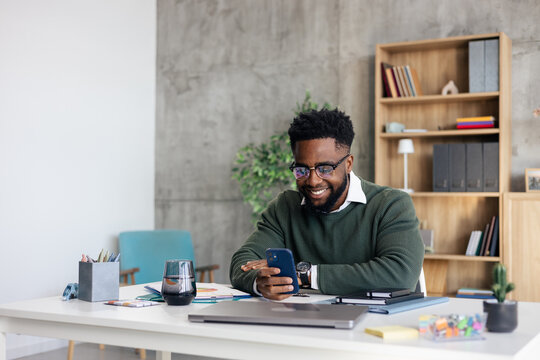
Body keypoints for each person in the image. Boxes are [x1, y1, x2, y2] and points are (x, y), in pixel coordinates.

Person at [229, 108, 424, 300]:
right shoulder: (285, 207)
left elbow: (400, 274)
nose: (313, 180)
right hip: (303, 322)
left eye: (325, 168)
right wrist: (260, 282)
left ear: (348, 164)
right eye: (302, 169)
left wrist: (305, 275)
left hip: (374, 323)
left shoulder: (390, 205)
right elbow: (243, 262)